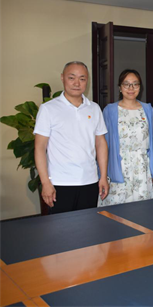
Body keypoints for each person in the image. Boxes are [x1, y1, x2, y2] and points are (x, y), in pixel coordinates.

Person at [33, 61, 109, 213]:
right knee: (60, 226)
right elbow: (40, 147)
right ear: (62, 78)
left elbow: (101, 143)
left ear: (87, 81)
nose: (77, 83)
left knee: (88, 225)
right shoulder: (48, 109)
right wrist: (45, 182)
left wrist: (103, 177)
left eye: (82, 78)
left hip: (89, 180)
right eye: (71, 77)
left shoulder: (94, 108)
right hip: (60, 183)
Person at [99, 69, 153, 206]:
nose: (131, 88)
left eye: (135, 84)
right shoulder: (110, 110)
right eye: (126, 84)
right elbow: (104, 144)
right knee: (116, 211)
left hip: (142, 167)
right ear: (120, 87)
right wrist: (102, 174)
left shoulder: (148, 109)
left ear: (140, 87)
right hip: (118, 167)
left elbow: (152, 142)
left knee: (141, 210)